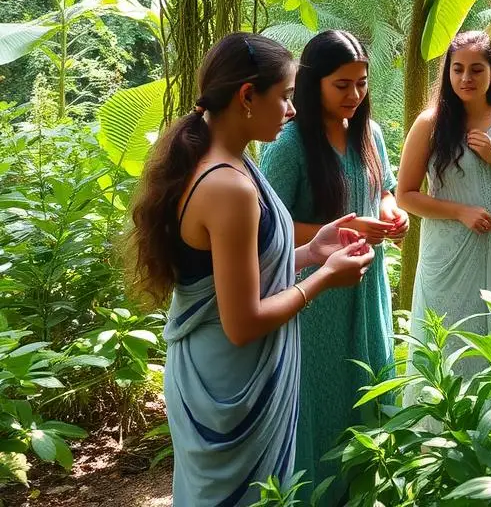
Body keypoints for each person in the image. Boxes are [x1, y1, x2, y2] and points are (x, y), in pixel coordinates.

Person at [128, 33, 375, 507]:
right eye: (282, 95)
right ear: (246, 97)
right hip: (229, 383)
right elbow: (241, 323)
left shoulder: (227, 160)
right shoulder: (228, 186)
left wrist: (310, 253)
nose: (292, 109)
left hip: (220, 369)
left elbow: (236, 270)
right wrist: (324, 279)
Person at [260, 30, 406, 504]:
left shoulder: (370, 133)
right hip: (316, 292)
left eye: (362, 83)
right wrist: (338, 230)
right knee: (321, 404)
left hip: (367, 287)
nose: (354, 95)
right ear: (311, 83)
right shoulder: (289, 144)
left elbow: (383, 187)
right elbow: (268, 230)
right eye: (341, 84)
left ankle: (365, 492)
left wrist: (390, 211)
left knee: (368, 385)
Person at [397, 31, 491, 377]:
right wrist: (461, 212)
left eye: (476, 69)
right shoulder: (429, 123)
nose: (465, 78)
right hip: (447, 256)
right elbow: (405, 195)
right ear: (447, 73)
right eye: (457, 69)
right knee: (445, 349)